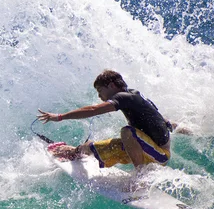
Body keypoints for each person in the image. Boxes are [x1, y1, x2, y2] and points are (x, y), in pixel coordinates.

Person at [37, 70, 175, 171]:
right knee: (90, 146)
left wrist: (60, 117)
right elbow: (161, 118)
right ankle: (75, 151)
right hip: (146, 147)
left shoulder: (124, 97)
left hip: (160, 155)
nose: (100, 96)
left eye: (100, 90)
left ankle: (141, 175)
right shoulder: (135, 95)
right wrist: (175, 126)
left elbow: (93, 110)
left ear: (111, 85)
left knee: (127, 132)